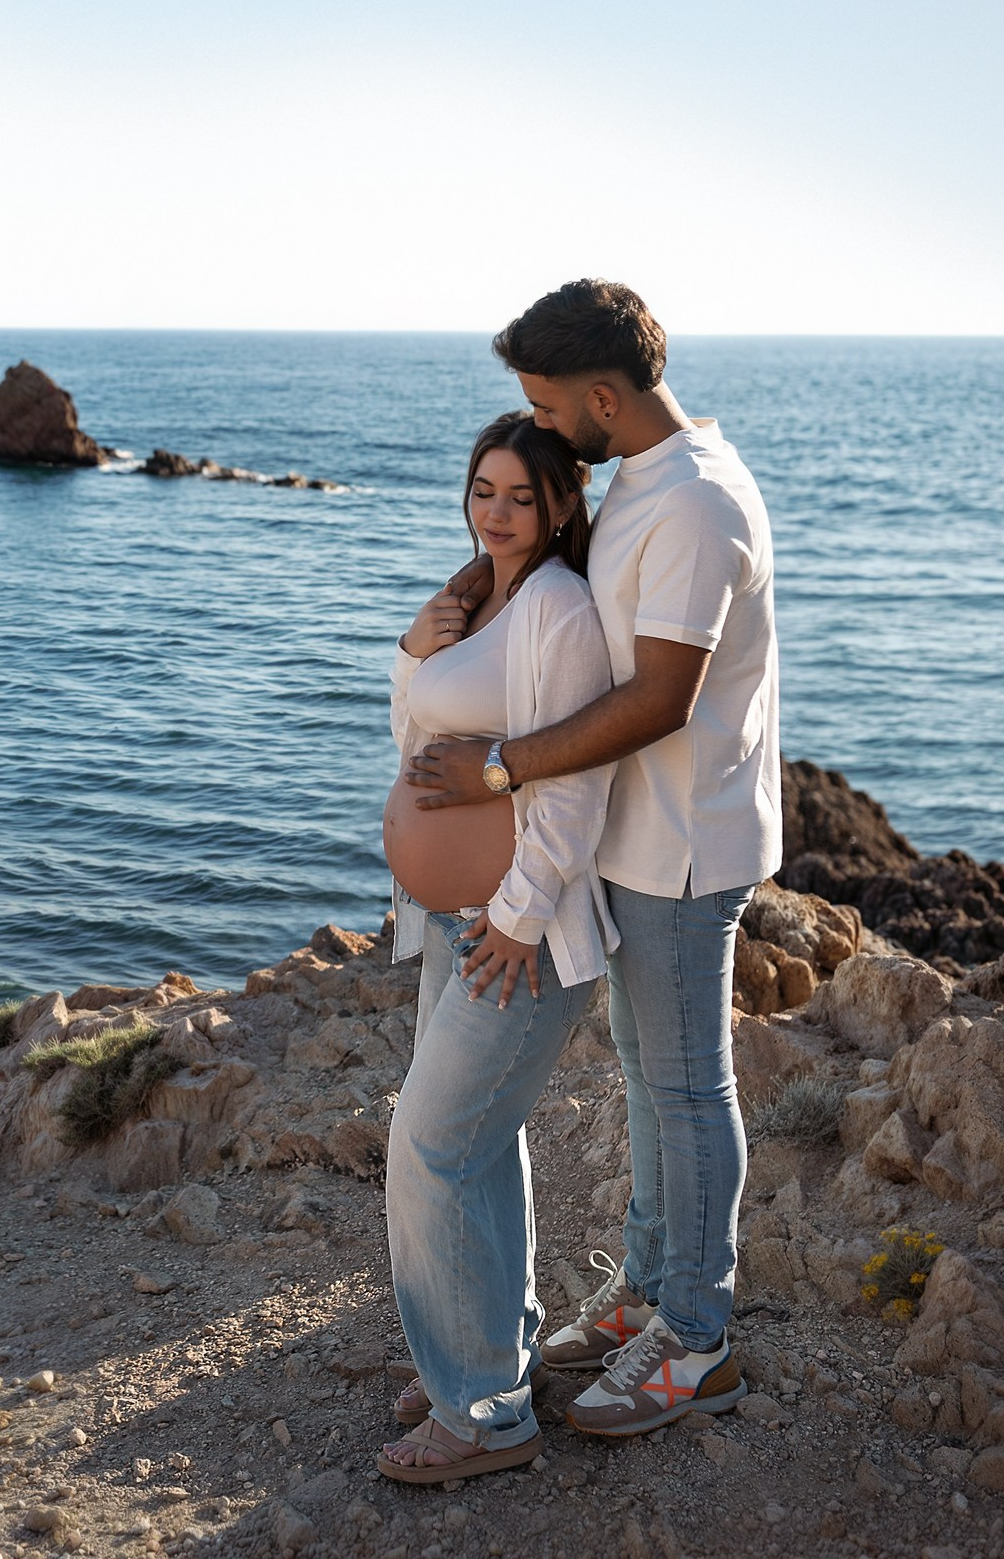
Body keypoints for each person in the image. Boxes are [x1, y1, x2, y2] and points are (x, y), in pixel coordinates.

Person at [405, 278, 778, 1436]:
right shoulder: (639, 483)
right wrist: (482, 588)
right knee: (644, 1077)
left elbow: (661, 698)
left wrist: (501, 768)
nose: (540, 422)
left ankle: (698, 1338)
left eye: (546, 404)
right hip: (627, 838)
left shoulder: (697, 506)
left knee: (683, 1086)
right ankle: (648, 1293)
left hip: (680, 845)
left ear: (602, 398)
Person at [374, 410, 618, 1483]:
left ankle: (481, 1415)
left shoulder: (558, 608)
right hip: (451, 922)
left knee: (432, 1149)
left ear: (560, 502)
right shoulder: (477, 599)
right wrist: (411, 649)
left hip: (512, 930)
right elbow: (415, 740)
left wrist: (516, 918)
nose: (499, 513)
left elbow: (574, 785)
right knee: (475, 1147)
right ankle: (485, 1357)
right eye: (483, 490)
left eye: (521, 496)